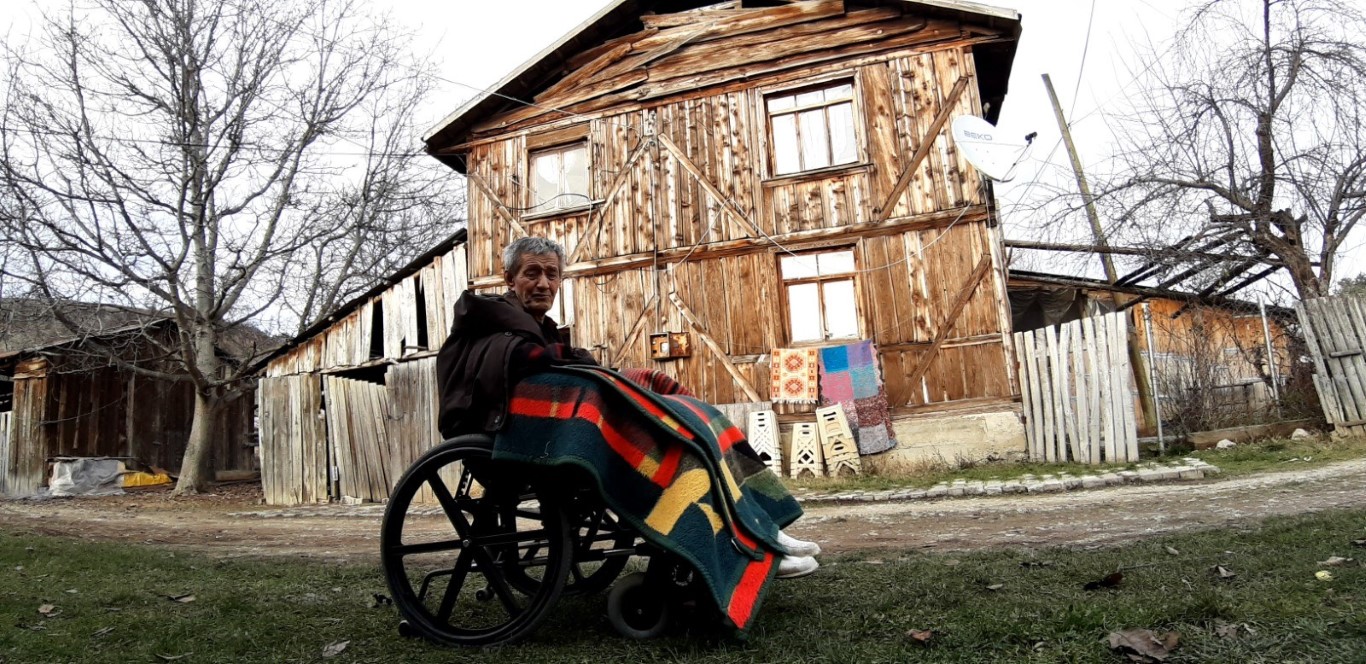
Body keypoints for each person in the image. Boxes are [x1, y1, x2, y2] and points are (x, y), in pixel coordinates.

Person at [436, 237, 820, 578]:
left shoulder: (538, 325)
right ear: (509, 278)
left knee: (670, 398)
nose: (543, 283)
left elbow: (556, 360)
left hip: (552, 433)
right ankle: (744, 546)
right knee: (641, 428)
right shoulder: (492, 317)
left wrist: (579, 362)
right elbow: (520, 362)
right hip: (512, 439)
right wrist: (577, 363)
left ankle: (761, 526)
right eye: (531, 273)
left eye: (552, 275)